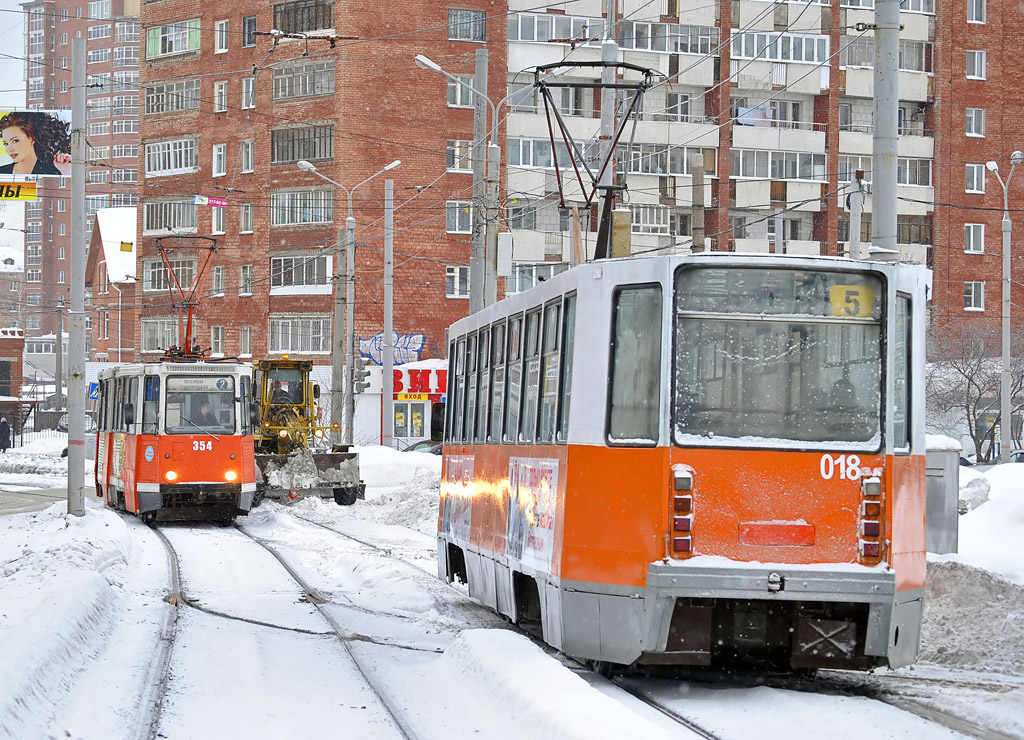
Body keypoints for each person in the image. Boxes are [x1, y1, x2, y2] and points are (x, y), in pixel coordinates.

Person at [0, 112, 71, 176]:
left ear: (32, 139)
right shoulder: (2, 172)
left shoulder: (53, 171)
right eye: (6, 144)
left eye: (15, 141)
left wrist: (66, 173)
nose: (9, 149)